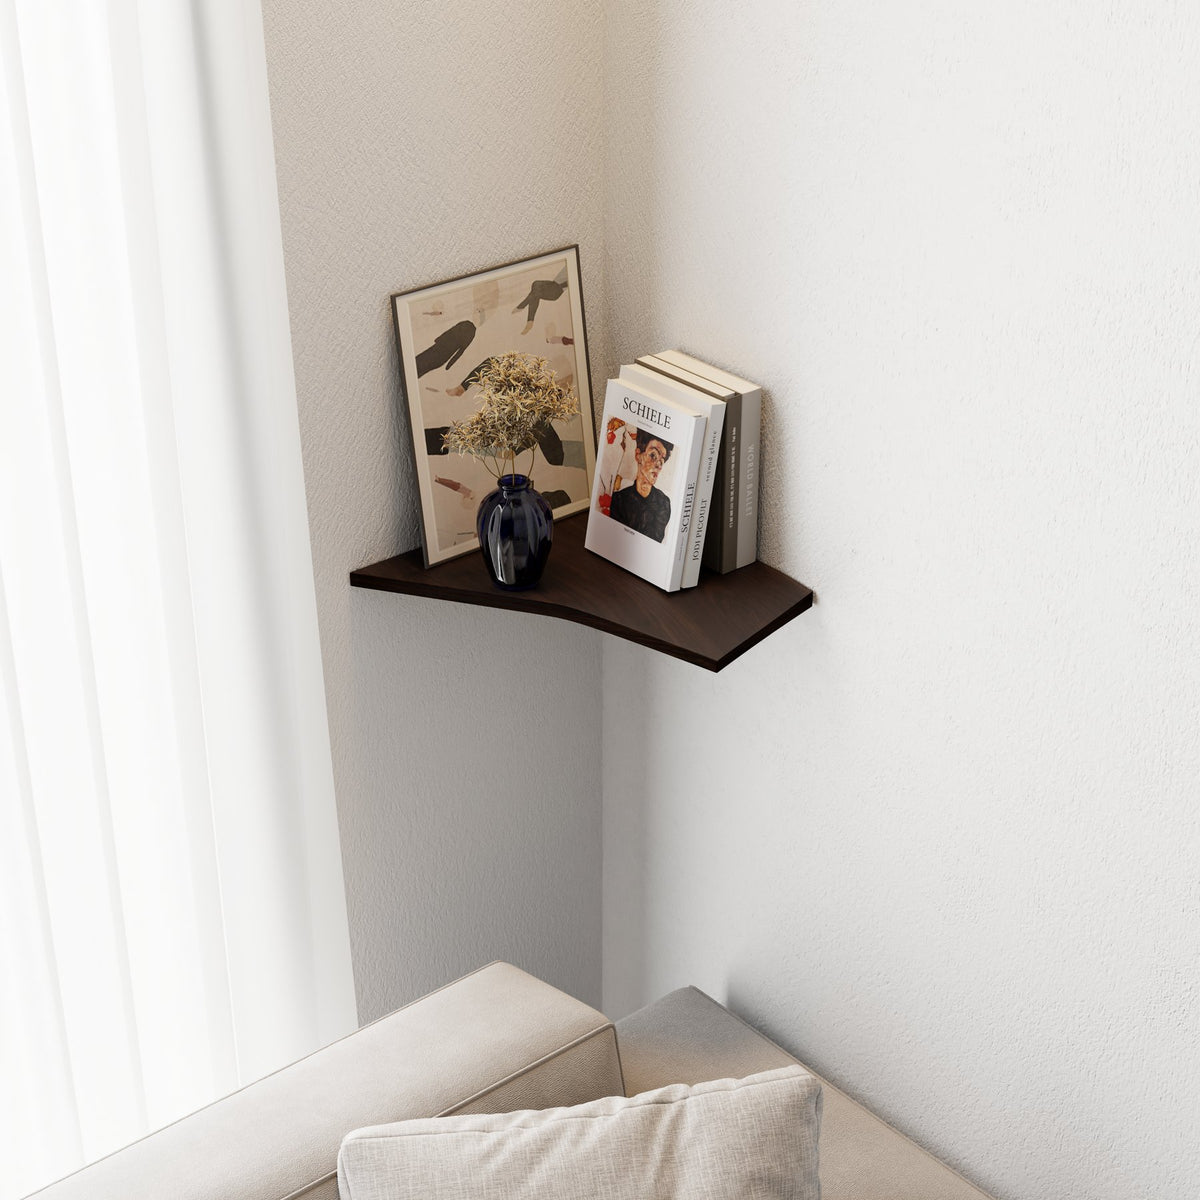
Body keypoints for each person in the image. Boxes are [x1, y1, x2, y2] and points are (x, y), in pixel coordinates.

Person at [607, 428, 672, 543]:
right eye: (653, 456)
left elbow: (653, 541)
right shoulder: (619, 499)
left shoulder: (663, 503)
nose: (658, 465)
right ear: (638, 455)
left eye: (661, 461)